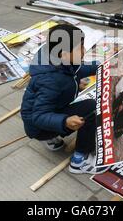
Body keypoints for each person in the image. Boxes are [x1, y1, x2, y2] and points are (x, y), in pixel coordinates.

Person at [21, 24, 107, 174]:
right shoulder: (51, 80)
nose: (84, 51)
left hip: (45, 111)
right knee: (92, 108)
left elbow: (79, 69)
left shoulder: (56, 58)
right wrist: (64, 121)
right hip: (38, 125)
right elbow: (38, 116)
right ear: (64, 54)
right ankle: (80, 160)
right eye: (80, 48)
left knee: (53, 103)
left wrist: (101, 66)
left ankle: (51, 139)